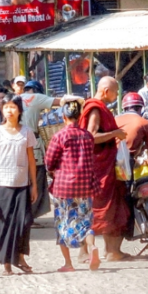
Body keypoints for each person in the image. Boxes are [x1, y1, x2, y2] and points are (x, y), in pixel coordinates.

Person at [0, 94, 36, 275]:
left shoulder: (26, 132)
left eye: (13, 107)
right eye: (6, 107)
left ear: (19, 110)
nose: (9, 110)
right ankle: (6, 263)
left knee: (24, 221)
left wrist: (34, 184)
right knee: (4, 223)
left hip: (22, 183)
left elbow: (31, 160)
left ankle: (19, 256)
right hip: (2, 183)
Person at [80, 76, 131, 261]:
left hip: (106, 165)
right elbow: (90, 136)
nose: (116, 95)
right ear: (105, 91)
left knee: (112, 208)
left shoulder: (100, 108)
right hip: (98, 167)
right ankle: (89, 251)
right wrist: (115, 134)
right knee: (100, 208)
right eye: (115, 92)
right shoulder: (95, 108)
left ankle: (111, 251)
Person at [45, 100, 99, 271]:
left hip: (64, 188)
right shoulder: (87, 136)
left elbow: (49, 162)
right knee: (85, 222)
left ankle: (68, 264)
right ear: (79, 116)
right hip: (85, 187)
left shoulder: (59, 136)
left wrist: (53, 169)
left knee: (63, 223)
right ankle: (91, 247)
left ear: (63, 117)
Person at [20, 80, 61, 221]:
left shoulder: (17, 98)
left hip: (16, 146)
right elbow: (59, 102)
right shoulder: (36, 98)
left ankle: (22, 214)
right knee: (36, 178)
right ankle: (29, 216)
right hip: (32, 145)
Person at [116, 92, 148, 161]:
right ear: (140, 108)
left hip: (110, 160)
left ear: (124, 108)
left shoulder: (114, 120)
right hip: (128, 162)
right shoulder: (145, 123)